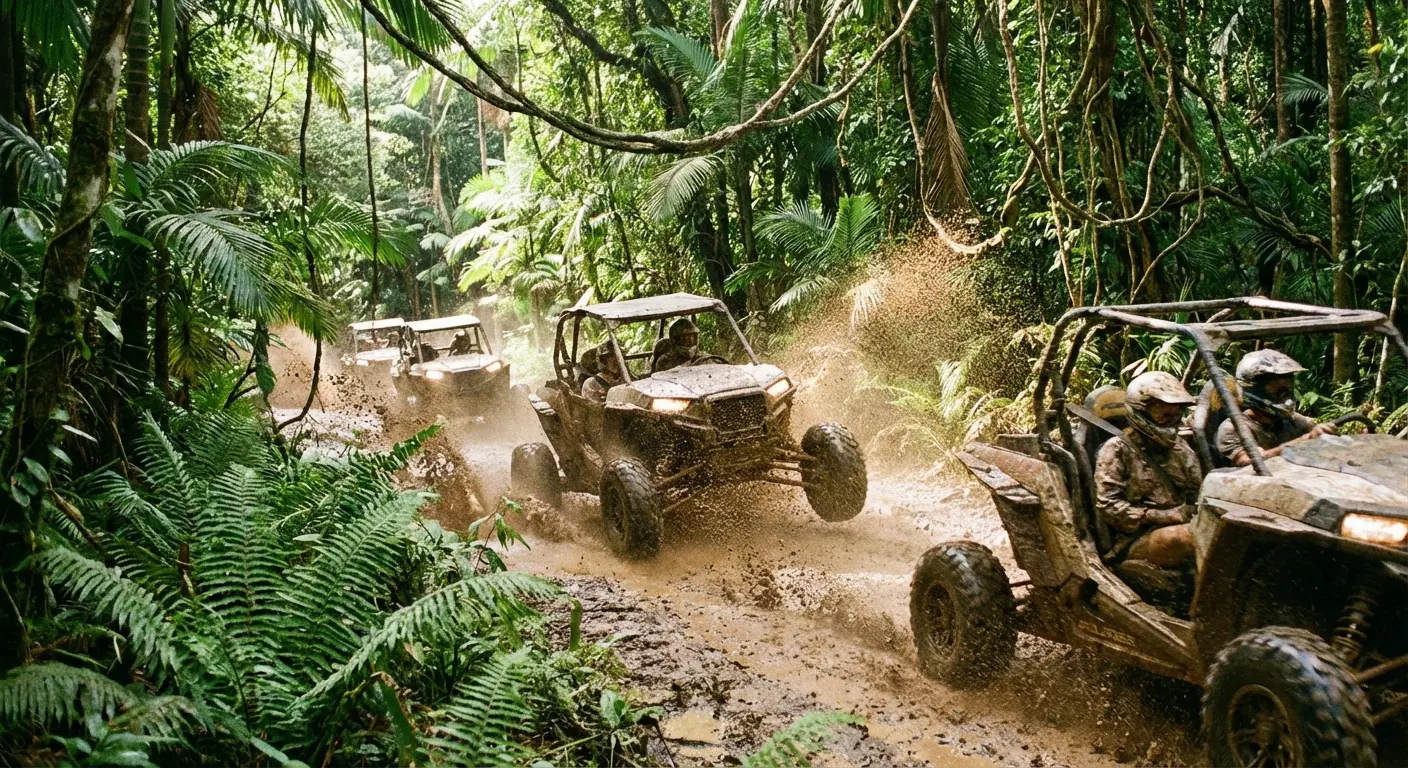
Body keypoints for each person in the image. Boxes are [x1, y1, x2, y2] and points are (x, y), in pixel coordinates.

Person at [1094, 372, 1202, 569]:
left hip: (1184, 525)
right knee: (1188, 538)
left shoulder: (1180, 447)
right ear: (1140, 410)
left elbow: (1196, 492)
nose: (1171, 421)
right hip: (1134, 539)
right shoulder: (1116, 449)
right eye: (1164, 414)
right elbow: (1108, 507)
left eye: (1176, 414)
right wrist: (1163, 516)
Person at [1216, 349, 1336, 467]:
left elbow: (1317, 435)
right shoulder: (1233, 428)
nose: (1284, 391)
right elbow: (1249, 462)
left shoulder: (1291, 419)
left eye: (1287, 384)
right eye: (1273, 386)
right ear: (1251, 388)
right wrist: (1304, 440)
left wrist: (1323, 432)